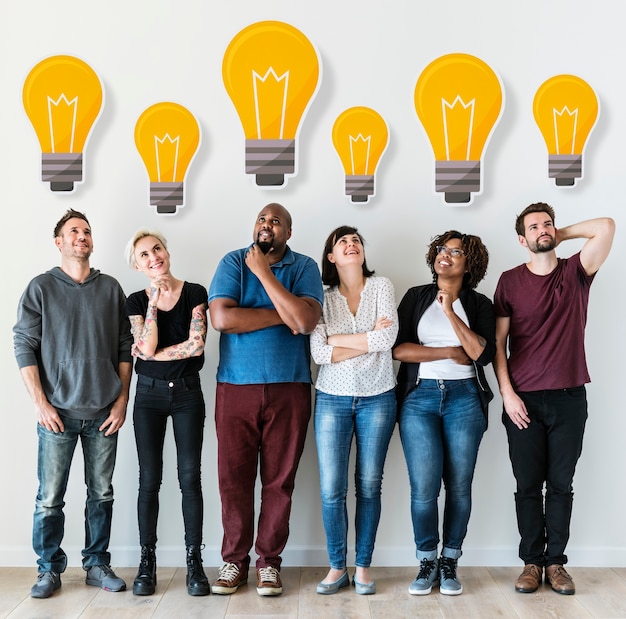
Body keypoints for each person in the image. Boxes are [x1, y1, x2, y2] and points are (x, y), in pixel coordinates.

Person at [493, 203, 615, 596]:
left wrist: (560, 235)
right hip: (522, 398)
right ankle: (531, 562)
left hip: (568, 397)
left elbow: (606, 226)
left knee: (561, 485)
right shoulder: (509, 281)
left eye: (547, 224)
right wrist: (507, 395)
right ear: (521, 239)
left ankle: (556, 564)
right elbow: (498, 344)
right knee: (527, 485)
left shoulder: (576, 272)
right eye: (534, 227)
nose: (542, 229)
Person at [13, 209, 132, 599]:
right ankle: (48, 569)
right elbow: (23, 345)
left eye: (87, 231)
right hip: (57, 415)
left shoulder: (111, 288)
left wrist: (121, 403)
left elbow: (124, 349)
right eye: (73, 231)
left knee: (102, 494)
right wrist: (40, 404)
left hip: (103, 413)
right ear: (59, 242)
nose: (82, 236)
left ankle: (97, 563)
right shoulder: (40, 287)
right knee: (49, 498)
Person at [208, 202, 323, 597]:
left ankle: (269, 564)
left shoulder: (305, 266)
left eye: (276, 221)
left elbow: (307, 323)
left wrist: (263, 276)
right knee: (233, 480)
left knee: (280, 482)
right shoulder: (233, 261)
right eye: (261, 218)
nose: (266, 224)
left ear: (288, 233)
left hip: (290, 387)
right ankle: (234, 562)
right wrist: (285, 313)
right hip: (235, 387)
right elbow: (222, 319)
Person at [393, 231, 495, 596]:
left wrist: (450, 311)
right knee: (423, 489)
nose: (445, 255)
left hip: (465, 398)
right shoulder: (415, 297)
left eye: (456, 252)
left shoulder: (480, 304)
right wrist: (446, 354)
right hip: (419, 398)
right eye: (441, 249)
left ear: (470, 264)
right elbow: (399, 350)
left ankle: (450, 560)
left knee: (459, 486)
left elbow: (480, 353)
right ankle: (426, 560)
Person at [310, 226, 398, 596]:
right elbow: (318, 353)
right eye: (342, 242)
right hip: (331, 397)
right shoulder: (322, 296)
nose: (351, 244)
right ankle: (336, 567)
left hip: (378, 396)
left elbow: (387, 339)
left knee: (369, 485)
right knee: (332, 489)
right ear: (331, 256)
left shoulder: (382, 287)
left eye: (356, 240)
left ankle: (362, 566)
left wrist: (336, 339)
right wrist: (366, 341)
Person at [125, 230, 210, 597]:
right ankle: (148, 563)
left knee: (190, 477)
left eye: (156, 248)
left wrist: (150, 356)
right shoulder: (134, 300)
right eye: (143, 255)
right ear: (137, 265)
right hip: (148, 397)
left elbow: (196, 345)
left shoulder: (195, 292)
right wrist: (154, 301)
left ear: (167, 251)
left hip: (188, 393)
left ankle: (195, 563)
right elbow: (145, 341)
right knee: (149, 480)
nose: (153, 257)